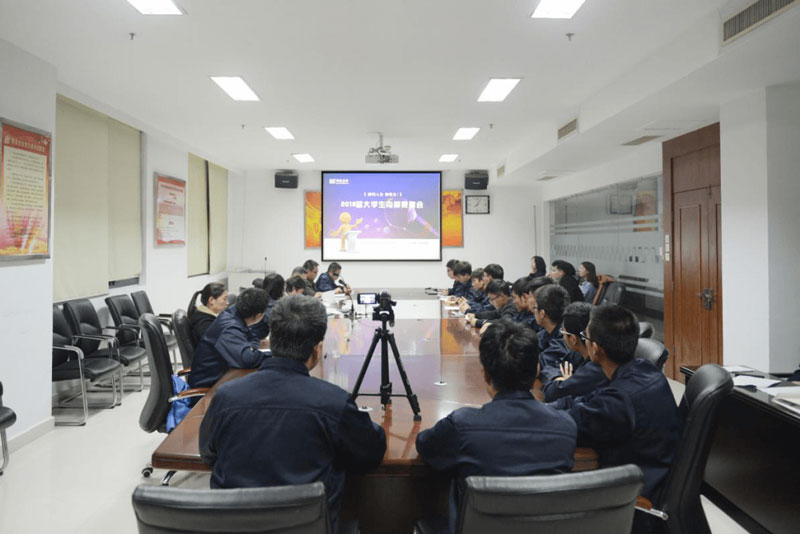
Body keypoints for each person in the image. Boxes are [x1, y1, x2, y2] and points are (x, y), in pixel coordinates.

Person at [199, 295, 386, 532]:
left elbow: (207, 453)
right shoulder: (334, 402)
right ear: (317, 349)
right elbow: (371, 453)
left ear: (271, 341)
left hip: (234, 526)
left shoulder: (226, 396)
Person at [416, 320, 577, 534]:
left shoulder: (463, 425)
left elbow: (425, 446)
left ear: (485, 374)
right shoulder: (565, 427)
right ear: (537, 368)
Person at [549, 304, 683, 506]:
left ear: (595, 349)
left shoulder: (618, 401)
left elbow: (569, 425)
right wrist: (545, 408)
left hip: (635, 495)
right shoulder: (643, 367)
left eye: (585, 338)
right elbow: (585, 402)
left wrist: (531, 413)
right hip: (651, 474)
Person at [188, 287, 269, 389]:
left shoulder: (233, 313)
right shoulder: (229, 326)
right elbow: (248, 360)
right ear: (259, 315)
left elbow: (252, 337)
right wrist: (274, 356)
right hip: (209, 388)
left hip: (223, 377)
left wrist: (251, 348)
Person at [541, 302, 608, 402]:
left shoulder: (595, 370)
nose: (562, 337)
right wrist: (559, 378)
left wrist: (564, 383)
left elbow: (551, 393)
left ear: (573, 339)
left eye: (562, 333)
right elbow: (551, 366)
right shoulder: (578, 353)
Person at [531, 284, 583, 371]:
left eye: (534, 307)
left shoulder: (565, 338)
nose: (533, 311)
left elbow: (537, 365)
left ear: (542, 313)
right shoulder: (546, 332)